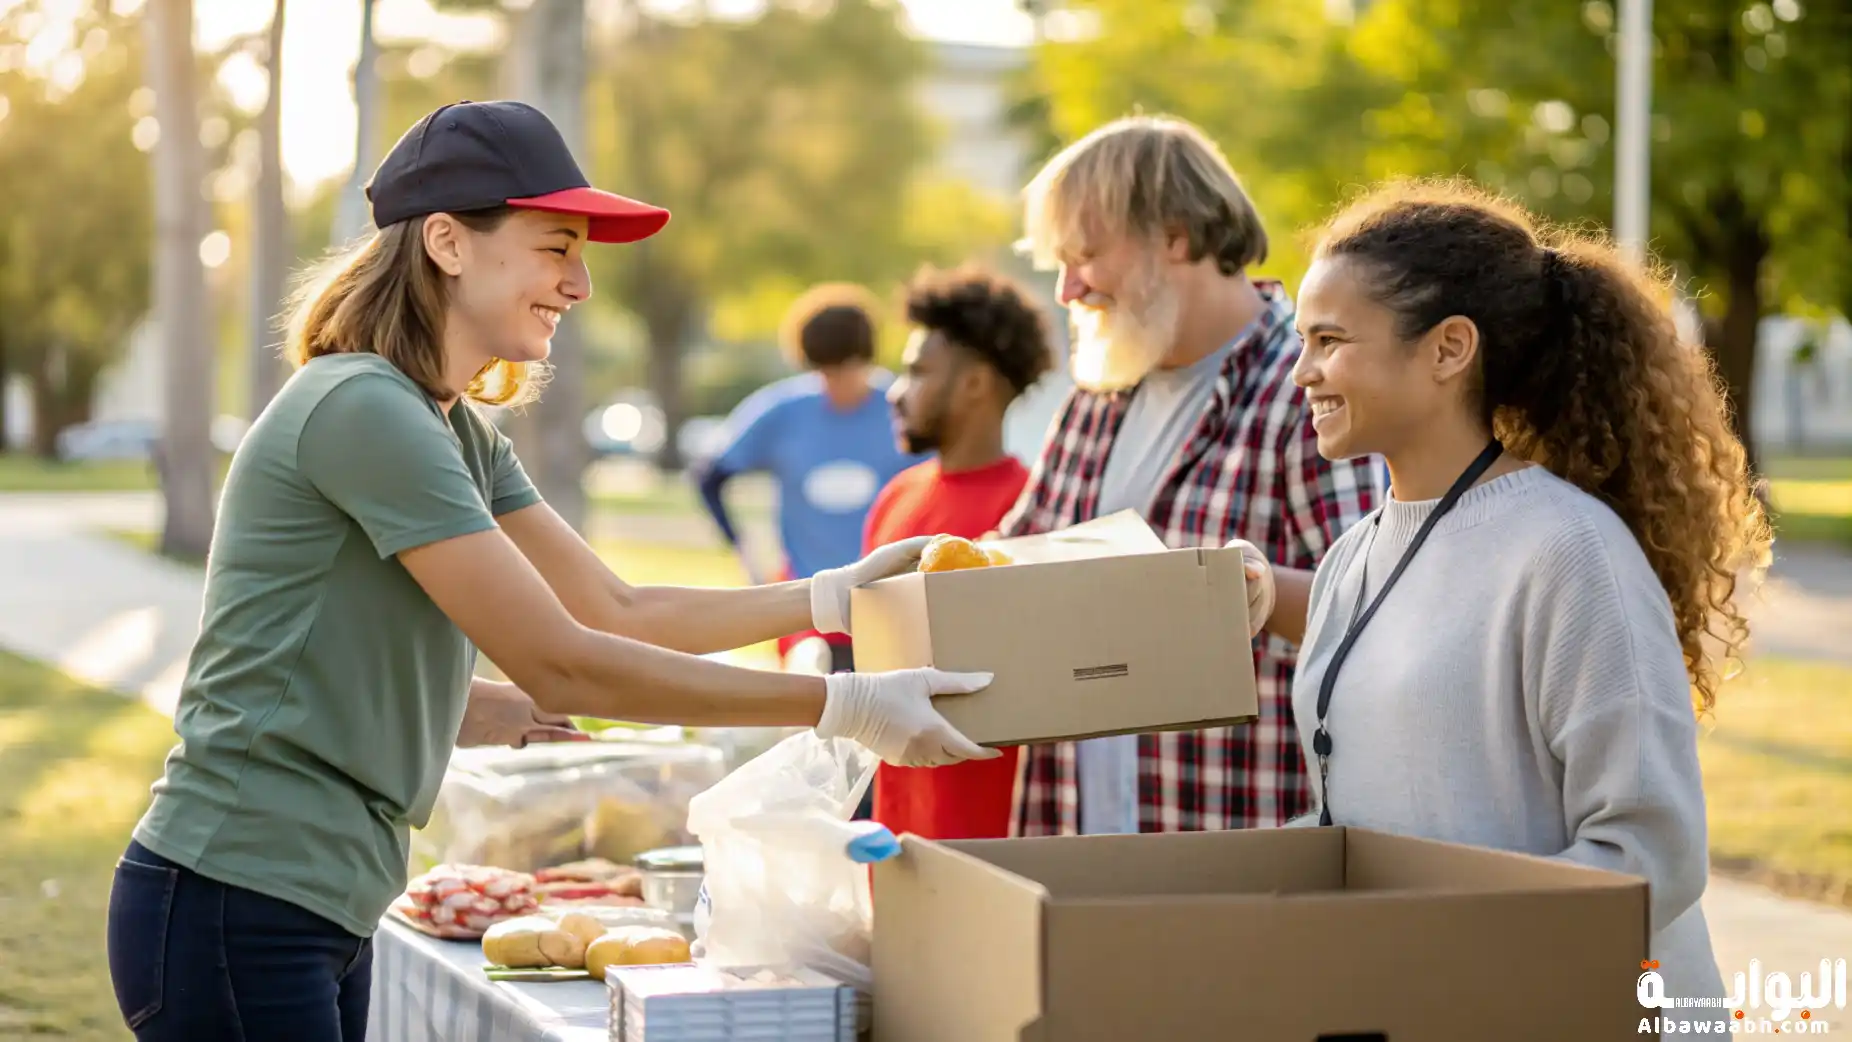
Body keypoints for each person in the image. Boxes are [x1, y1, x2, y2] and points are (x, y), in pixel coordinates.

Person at [105, 100, 995, 1042]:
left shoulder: (452, 428)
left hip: (310, 901)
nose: (580, 283)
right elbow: (564, 662)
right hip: (238, 896)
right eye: (556, 247)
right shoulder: (365, 407)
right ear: (447, 242)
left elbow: (619, 607)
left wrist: (829, 596)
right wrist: (843, 705)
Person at [1242, 179, 1771, 1018]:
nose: (1302, 371)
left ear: (1449, 349)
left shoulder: (1572, 551)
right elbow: (1374, 810)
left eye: (1330, 341)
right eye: (1303, 341)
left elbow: (1654, 853)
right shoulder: (1350, 559)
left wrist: (1440, 941)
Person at [999, 115, 1384, 838]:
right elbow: (1018, 556)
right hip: (1081, 837)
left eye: (1085, 255)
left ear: (1175, 236)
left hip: (1234, 847)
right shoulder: (1099, 394)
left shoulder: (1307, 391)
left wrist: (1238, 590)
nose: (1068, 289)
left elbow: (1378, 612)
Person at [864, 263, 1058, 840]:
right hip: (897, 827)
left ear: (975, 383)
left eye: (918, 371)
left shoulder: (1033, 512)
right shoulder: (895, 498)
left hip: (997, 837)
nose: (895, 392)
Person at [694, 284, 923, 675]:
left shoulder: (902, 407)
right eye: (824, 371)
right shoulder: (784, 411)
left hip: (890, 601)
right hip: (806, 604)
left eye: (846, 368)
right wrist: (746, 551)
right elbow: (710, 475)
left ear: (866, 358)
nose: (836, 383)